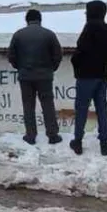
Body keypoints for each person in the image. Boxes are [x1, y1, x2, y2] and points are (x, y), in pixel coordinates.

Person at [7, 9, 63, 145]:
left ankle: (30, 135)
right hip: (45, 76)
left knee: (28, 105)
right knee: (48, 104)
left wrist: (19, 67)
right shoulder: (49, 34)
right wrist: (51, 68)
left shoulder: (18, 35)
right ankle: (52, 134)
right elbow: (58, 54)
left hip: (25, 76)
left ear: (26, 20)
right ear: (40, 19)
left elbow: (11, 55)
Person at [69, 0, 107, 156]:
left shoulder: (89, 28)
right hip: (102, 74)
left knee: (82, 109)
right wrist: (102, 63)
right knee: (102, 109)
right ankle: (104, 142)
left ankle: (77, 141)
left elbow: (80, 51)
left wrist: (76, 64)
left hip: (85, 76)